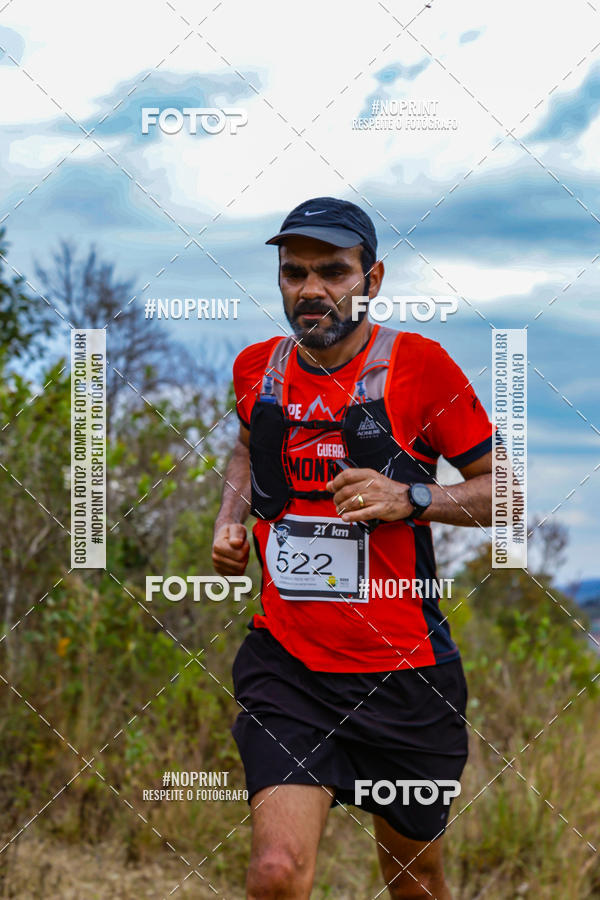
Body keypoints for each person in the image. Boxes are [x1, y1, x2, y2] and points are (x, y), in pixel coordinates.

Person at [212, 197, 493, 899]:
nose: (311, 289)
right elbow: (247, 447)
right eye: (294, 272)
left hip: (405, 676)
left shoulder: (420, 367)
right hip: (290, 666)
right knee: (275, 873)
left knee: (412, 874)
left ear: (371, 279)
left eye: (333, 271)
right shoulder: (258, 368)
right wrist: (229, 518)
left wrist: (413, 498)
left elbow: (506, 493)